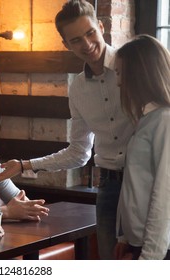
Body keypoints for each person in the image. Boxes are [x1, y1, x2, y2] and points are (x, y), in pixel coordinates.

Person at [0, 0, 135, 259]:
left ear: (101, 27)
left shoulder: (135, 68)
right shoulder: (77, 88)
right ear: (66, 45)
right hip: (109, 186)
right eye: (76, 40)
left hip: (147, 179)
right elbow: (79, 152)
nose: (87, 44)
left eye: (90, 33)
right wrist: (24, 165)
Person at [113, 35, 170, 260]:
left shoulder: (164, 120)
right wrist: (124, 237)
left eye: (119, 73)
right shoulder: (148, 119)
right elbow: (135, 183)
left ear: (138, 74)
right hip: (138, 243)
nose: (117, 82)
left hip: (157, 251)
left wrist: (149, 260)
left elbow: (165, 194)